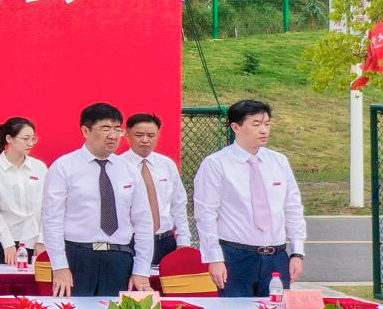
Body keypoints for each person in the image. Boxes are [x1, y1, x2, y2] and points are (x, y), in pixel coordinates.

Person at [193, 99, 306, 297]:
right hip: (236, 257)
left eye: (267, 124)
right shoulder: (216, 164)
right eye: (256, 124)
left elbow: (293, 207)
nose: (264, 130)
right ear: (235, 127)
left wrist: (297, 252)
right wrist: (214, 258)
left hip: (276, 257)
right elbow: (206, 214)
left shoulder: (279, 161)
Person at [41, 102, 154, 298]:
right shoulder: (64, 167)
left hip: (119, 257)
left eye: (117, 129)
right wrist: (59, 266)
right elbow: (52, 220)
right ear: (85, 131)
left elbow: (143, 220)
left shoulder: (128, 169)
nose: (113, 135)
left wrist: (141, 270)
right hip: (77, 257)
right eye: (105, 128)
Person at [124, 113, 192, 265]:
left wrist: (183, 241)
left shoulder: (167, 165)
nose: (145, 140)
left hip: (164, 242)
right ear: (127, 135)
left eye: (151, 135)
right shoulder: (118, 166)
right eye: (139, 135)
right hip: (130, 243)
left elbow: (178, 204)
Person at [0, 117, 45, 263]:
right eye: (25, 138)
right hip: (3, 242)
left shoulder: (39, 168)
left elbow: (46, 207)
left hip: (34, 241)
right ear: (9, 138)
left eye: (33, 139)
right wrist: (7, 243)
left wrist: (42, 240)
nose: (30, 143)